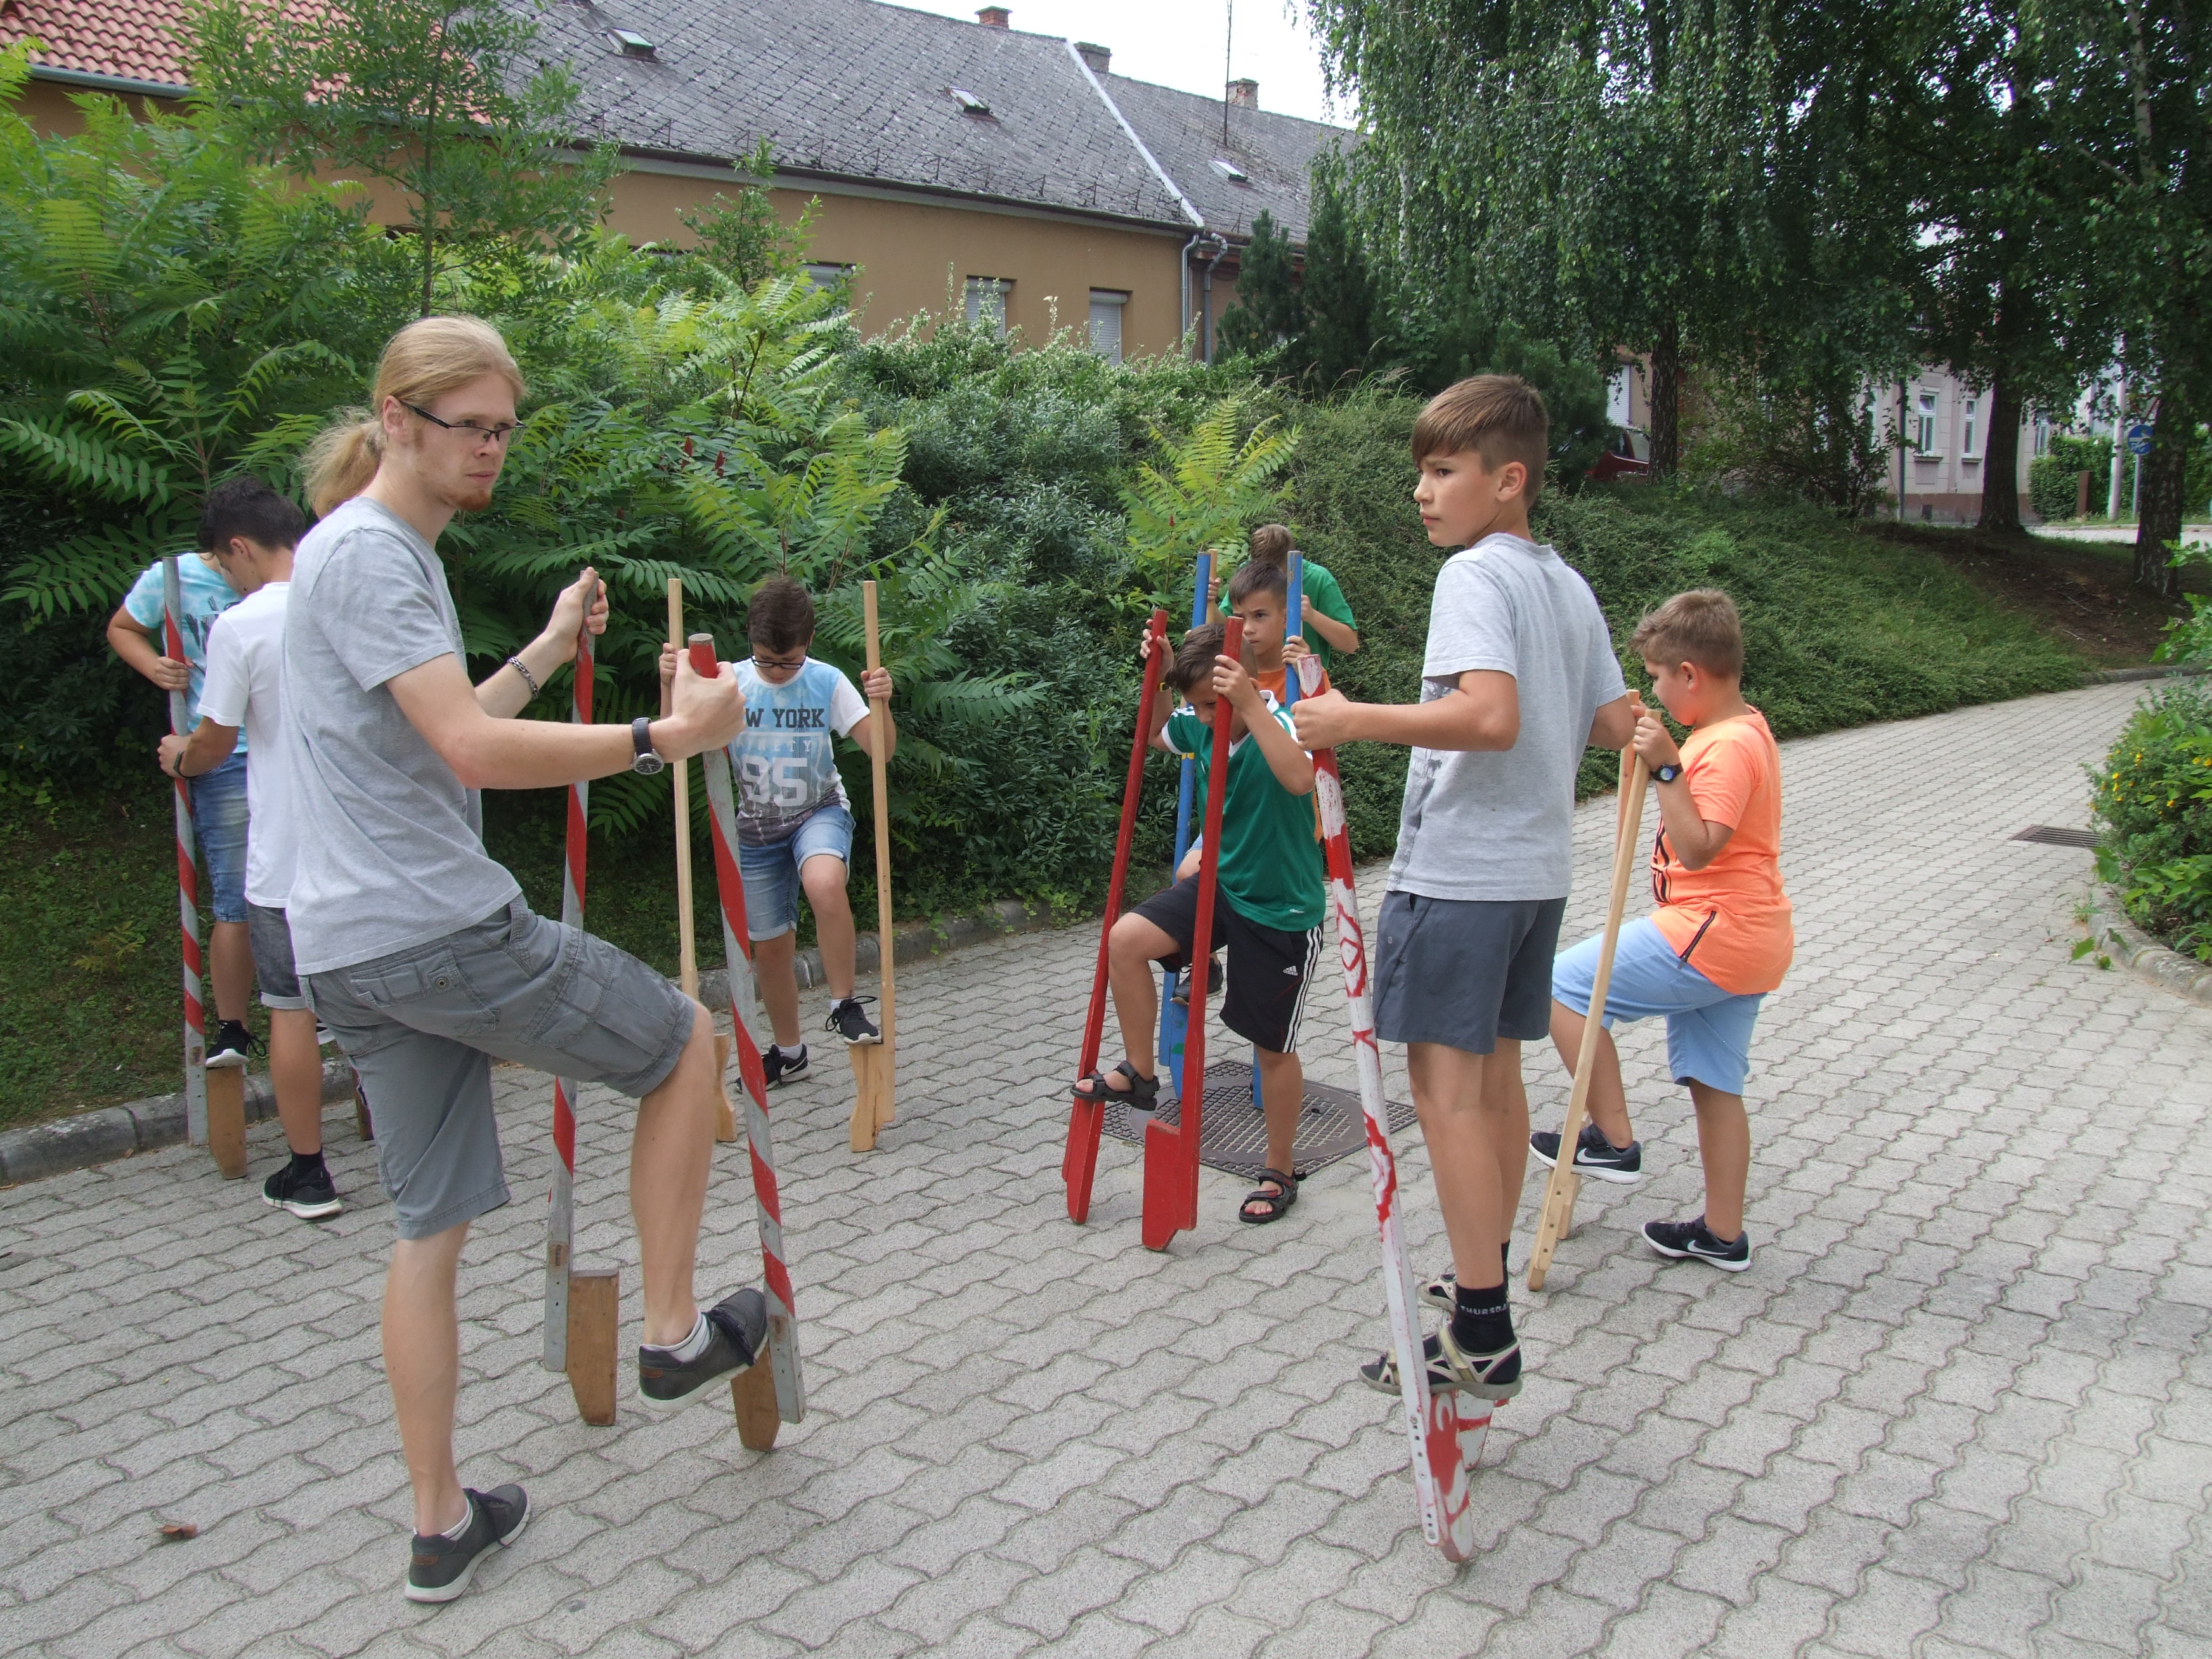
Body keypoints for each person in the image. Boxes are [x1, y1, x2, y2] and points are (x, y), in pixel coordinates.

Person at [283, 315, 754, 1604]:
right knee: (683, 1042)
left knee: (427, 1228)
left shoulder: (366, 553)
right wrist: (663, 738)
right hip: (435, 930)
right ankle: (672, 1333)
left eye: (503, 429)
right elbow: (474, 756)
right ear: (397, 419)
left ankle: (441, 1526)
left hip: (351, 951)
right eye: (468, 426)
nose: (490, 449)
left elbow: (440, 728)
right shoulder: (373, 553)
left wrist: (548, 649)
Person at [1292, 374, 1636, 1401]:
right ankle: (1479, 1271)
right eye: (1422, 472)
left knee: (1444, 1098)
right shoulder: (1564, 582)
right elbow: (1615, 723)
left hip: (1460, 875)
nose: (1422, 491)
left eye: (1443, 471)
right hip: (1533, 877)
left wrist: (1351, 720)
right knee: (1494, 1088)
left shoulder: (1475, 576)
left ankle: (1481, 1330)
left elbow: (1488, 716)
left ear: (1508, 479)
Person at [1538, 589, 1791, 1272]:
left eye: (1656, 676)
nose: (1653, 688)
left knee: (1559, 987)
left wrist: (1670, 767)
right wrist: (1650, 754)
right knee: (1715, 1082)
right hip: (1748, 937)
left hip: (1712, 930)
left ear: (1690, 674)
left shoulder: (1726, 747)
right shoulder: (1736, 729)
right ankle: (1722, 1234)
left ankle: (1612, 1138)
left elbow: (1700, 847)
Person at [1074, 621, 1325, 1224]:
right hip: (1223, 885)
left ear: (1242, 683)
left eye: (1212, 705)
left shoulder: (1284, 723)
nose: (1204, 718)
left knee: (1271, 1047)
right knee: (1125, 941)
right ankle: (1140, 1072)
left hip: (1281, 909)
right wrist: (1161, 676)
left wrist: (1248, 705)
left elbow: (1300, 778)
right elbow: (1158, 732)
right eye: (1197, 706)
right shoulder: (1201, 720)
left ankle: (1280, 1168)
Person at [158, 478, 337, 1218]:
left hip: (289, 856)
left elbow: (215, 740)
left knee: (290, 1009)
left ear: (239, 547)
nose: (226, 578)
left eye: (223, 564)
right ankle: (416, 1155)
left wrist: (179, 755)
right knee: (385, 1007)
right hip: (369, 848)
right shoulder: (344, 598)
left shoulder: (241, 624)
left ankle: (310, 1173)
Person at [659, 577, 894, 1086]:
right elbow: (674, 738)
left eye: (788, 662)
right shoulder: (730, 683)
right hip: (757, 831)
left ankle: (845, 1004)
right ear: (751, 639)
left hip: (818, 810)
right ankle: (790, 1053)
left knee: (825, 884)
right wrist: (668, 685)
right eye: (766, 660)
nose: (777, 670)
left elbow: (882, 750)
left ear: (809, 641)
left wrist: (882, 703)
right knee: (769, 950)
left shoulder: (827, 681)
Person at [108, 537, 256, 1065]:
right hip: (218, 752)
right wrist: (154, 666)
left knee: (301, 885)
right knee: (235, 900)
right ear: (232, 547)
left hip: (284, 746)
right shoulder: (173, 578)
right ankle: (233, 1029)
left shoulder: (281, 573)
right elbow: (123, 628)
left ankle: (319, 1005)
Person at [1214, 523, 1359, 670]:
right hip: (1252, 675)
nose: (1268, 580)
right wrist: (1210, 603)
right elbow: (1224, 627)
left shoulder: (1319, 579)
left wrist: (1312, 616)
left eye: (1276, 574)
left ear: (1291, 561)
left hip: (1304, 678)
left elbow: (1350, 644)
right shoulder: (1248, 574)